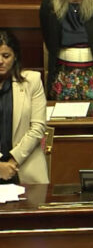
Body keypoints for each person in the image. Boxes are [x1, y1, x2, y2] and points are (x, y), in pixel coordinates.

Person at [0, 29, 49, 184]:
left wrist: (11, 163)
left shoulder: (32, 81)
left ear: (15, 57)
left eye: (6, 56)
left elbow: (38, 128)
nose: (0, 61)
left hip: (25, 168)